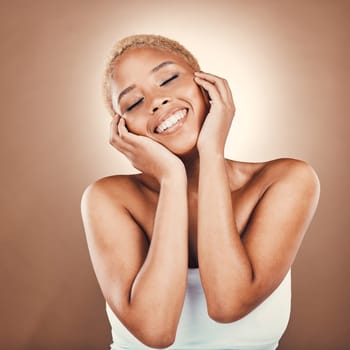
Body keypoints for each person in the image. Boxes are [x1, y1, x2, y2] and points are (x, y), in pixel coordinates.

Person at [80, 34, 320, 350]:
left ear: (205, 85)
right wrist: (171, 179)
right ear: (123, 130)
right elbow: (156, 332)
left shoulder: (286, 180)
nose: (156, 101)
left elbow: (227, 304)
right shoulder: (108, 199)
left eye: (168, 79)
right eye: (134, 103)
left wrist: (211, 153)